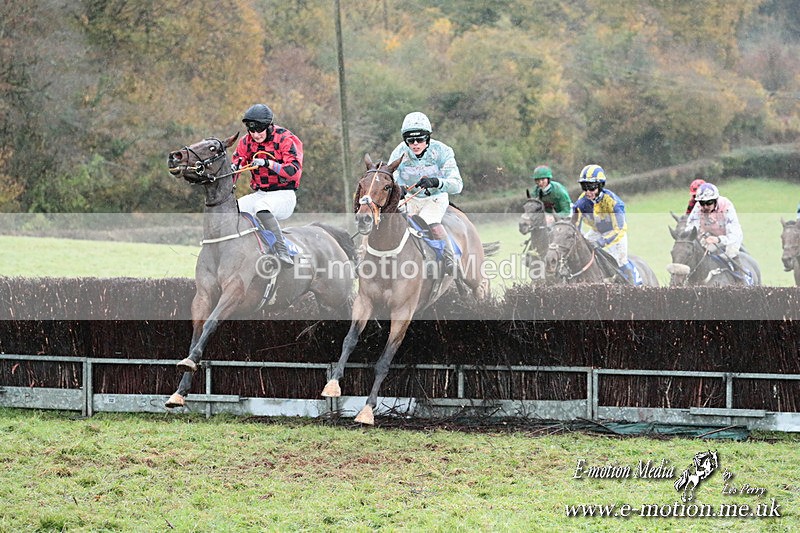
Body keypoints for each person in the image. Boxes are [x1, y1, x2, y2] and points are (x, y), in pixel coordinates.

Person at [389, 111, 463, 275]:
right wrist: (397, 188)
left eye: (420, 139)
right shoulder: (399, 153)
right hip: (410, 199)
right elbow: (390, 176)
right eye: (410, 140)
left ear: (428, 138)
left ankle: (450, 260)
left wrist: (437, 182)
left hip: (435, 198)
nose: (415, 144)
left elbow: (458, 185)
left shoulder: (443, 151)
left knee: (428, 221)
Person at [231, 103, 303, 265]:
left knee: (261, 207)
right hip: (260, 193)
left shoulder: (286, 139)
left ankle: (282, 250)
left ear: (269, 126)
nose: (255, 135)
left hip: (284, 194)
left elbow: (294, 171)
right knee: (233, 209)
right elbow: (236, 167)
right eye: (252, 130)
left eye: (259, 130)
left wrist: (267, 163)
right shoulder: (245, 142)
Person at [571, 164, 642, 285]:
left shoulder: (614, 202)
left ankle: (634, 284)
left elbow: (619, 229)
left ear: (600, 185)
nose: (588, 192)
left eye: (591, 187)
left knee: (620, 260)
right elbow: (575, 225)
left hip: (616, 233)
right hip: (597, 231)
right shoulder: (581, 202)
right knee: (580, 249)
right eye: (584, 187)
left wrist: (601, 242)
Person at [685, 182, 746, 274]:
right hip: (710, 235)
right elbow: (690, 227)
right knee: (699, 252)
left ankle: (741, 280)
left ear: (715, 200)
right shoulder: (698, 207)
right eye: (702, 203)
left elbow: (734, 235)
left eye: (709, 203)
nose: (705, 206)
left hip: (730, 237)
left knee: (731, 253)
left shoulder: (726, 206)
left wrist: (718, 239)